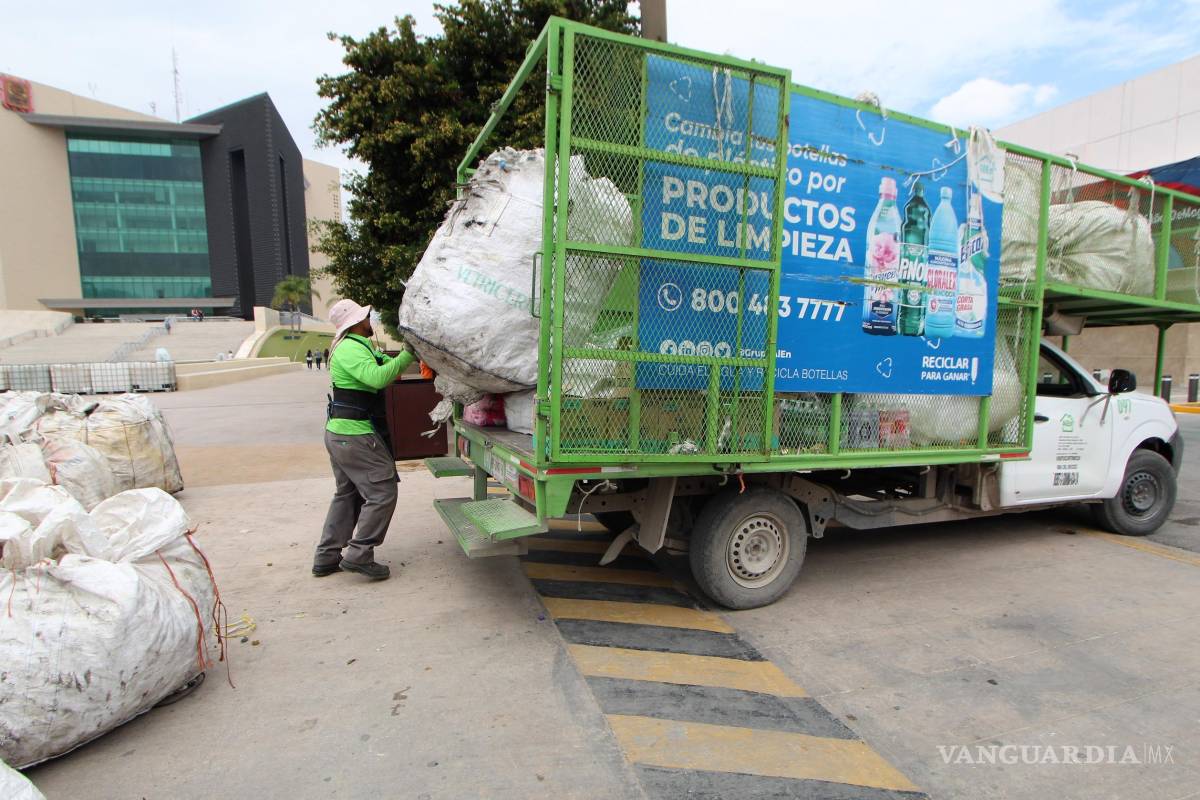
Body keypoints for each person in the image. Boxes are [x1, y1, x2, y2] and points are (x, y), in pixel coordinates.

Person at [314, 299, 413, 580]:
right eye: (368, 317)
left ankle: (327, 556)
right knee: (382, 493)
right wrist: (409, 354)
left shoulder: (359, 346)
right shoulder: (349, 349)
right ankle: (359, 554)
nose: (372, 321)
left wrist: (406, 356)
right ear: (356, 323)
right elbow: (378, 378)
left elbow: (386, 368)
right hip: (353, 435)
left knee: (347, 495)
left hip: (343, 434)